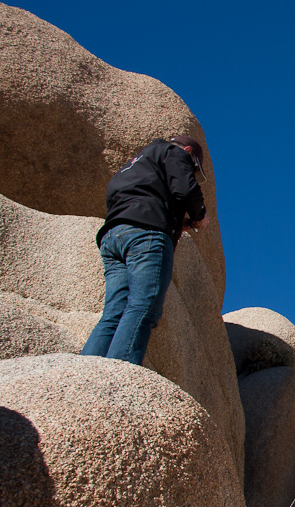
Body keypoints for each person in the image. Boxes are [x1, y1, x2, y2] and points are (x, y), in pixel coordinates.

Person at [81, 135, 209, 365]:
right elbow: (185, 189)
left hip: (113, 237)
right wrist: (200, 215)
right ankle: (119, 376)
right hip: (146, 236)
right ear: (189, 151)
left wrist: (175, 220)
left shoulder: (133, 165)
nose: (193, 173)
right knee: (143, 306)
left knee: (113, 313)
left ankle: (85, 372)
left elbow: (136, 199)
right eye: (195, 169)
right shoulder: (174, 152)